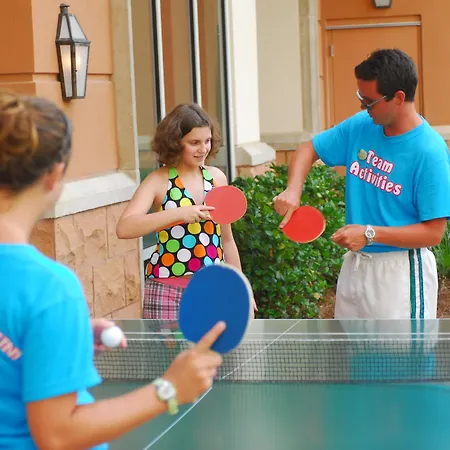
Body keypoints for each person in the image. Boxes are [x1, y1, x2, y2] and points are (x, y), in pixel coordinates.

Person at [0, 91, 225, 450]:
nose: (202, 148)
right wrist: (168, 389)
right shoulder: (49, 289)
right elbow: (57, 435)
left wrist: (61, 333)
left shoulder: (46, 298)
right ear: (54, 175)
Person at [273, 48, 450, 320]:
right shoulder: (361, 125)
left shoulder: (430, 152)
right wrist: (293, 189)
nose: (362, 108)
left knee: (401, 350)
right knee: (350, 347)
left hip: (400, 273)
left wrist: (370, 234)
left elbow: (433, 234)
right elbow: (309, 149)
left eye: (369, 102)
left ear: (398, 98)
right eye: (361, 98)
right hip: (355, 266)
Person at [117, 103, 257, 319]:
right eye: (194, 143)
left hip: (214, 291)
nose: (203, 149)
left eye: (207, 141)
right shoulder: (158, 181)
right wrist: (179, 214)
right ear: (175, 143)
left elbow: (227, 240)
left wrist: (241, 287)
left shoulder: (217, 178)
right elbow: (125, 228)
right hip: (167, 292)